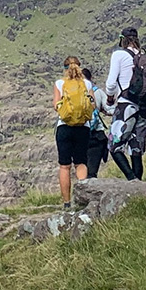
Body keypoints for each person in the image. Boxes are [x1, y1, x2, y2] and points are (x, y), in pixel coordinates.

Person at [105, 27, 146, 181]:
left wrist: (109, 99)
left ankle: (130, 179)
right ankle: (138, 183)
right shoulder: (143, 56)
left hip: (126, 104)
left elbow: (111, 83)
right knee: (136, 149)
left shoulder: (119, 54)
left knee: (114, 146)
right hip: (143, 107)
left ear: (122, 39)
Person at [52, 57, 93, 207]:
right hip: (83, 127)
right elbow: (92, 104)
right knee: (81, 163)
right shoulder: (87, 84)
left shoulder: (59, 83)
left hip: (64, 127)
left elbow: (55, 105)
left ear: (65, 68)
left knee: (64, 166)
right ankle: (83, 200)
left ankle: (67, 203)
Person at [82, 66, 111, 179]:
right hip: (97, 136)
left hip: (78, 135)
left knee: (80, 169)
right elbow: (110, 109)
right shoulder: (97, 92)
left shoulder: (71, 92)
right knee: (92, 172)